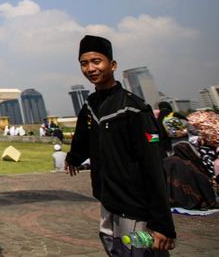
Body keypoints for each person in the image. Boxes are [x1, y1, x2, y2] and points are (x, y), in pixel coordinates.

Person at [65, 35, 175, 256]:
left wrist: (162, 224)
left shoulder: (133, 108)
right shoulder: (90, 106)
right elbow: (83, 138)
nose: (90, 68)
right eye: (84, 63)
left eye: (97, 61)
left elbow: (153, 166)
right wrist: (73, 157)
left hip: (134, 209)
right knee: (115, 249)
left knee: (138, 251)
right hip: (108, 202)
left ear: (112, 65)